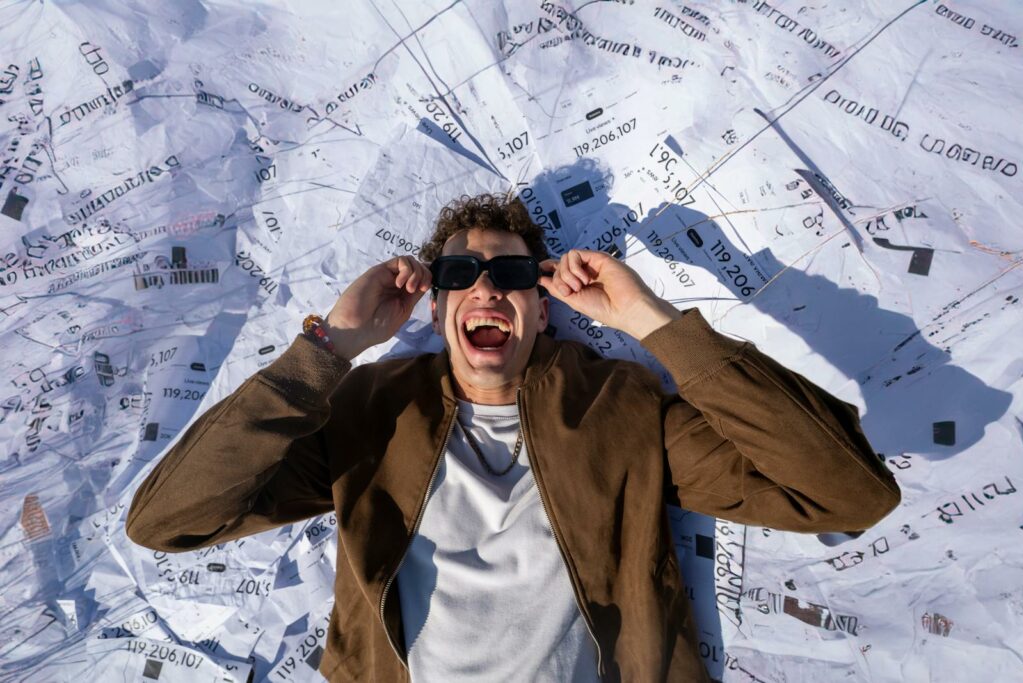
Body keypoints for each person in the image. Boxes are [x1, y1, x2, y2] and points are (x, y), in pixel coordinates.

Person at [126, 193, 902, 682]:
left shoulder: (624, 411)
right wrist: (328, 347)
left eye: (513, 275)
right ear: (437, 309)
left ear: (542, 306)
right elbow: (168, 519)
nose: (487, 286)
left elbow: (849, 490)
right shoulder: (369, 415)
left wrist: (649, 322)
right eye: (459, 273)